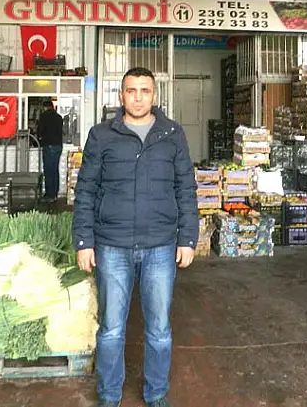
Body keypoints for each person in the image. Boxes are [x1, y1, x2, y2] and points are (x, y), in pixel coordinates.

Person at [73, 67, 199, 407]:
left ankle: (156, 394)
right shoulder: (102, 135)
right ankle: (109, 395)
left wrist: (188, 238)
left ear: (154, 95)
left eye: (145, 90)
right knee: (111, 328)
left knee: (159, 329)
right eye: (132, 90)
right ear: (121, 96)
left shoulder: (172, 134)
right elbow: (85, 190)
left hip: (160, 245)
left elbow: (186, 188)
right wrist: (84, 242)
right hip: (112, 245)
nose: (139, 97)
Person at [37, 100, 64, 199]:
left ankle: (49, 194)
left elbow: (40, 130)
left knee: (48, 170)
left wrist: (40, 138)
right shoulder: (59, 117)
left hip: (49, 145)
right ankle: (55, 193)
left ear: (45, 107)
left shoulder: (44, 116)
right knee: (55, 170)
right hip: (58, 146)